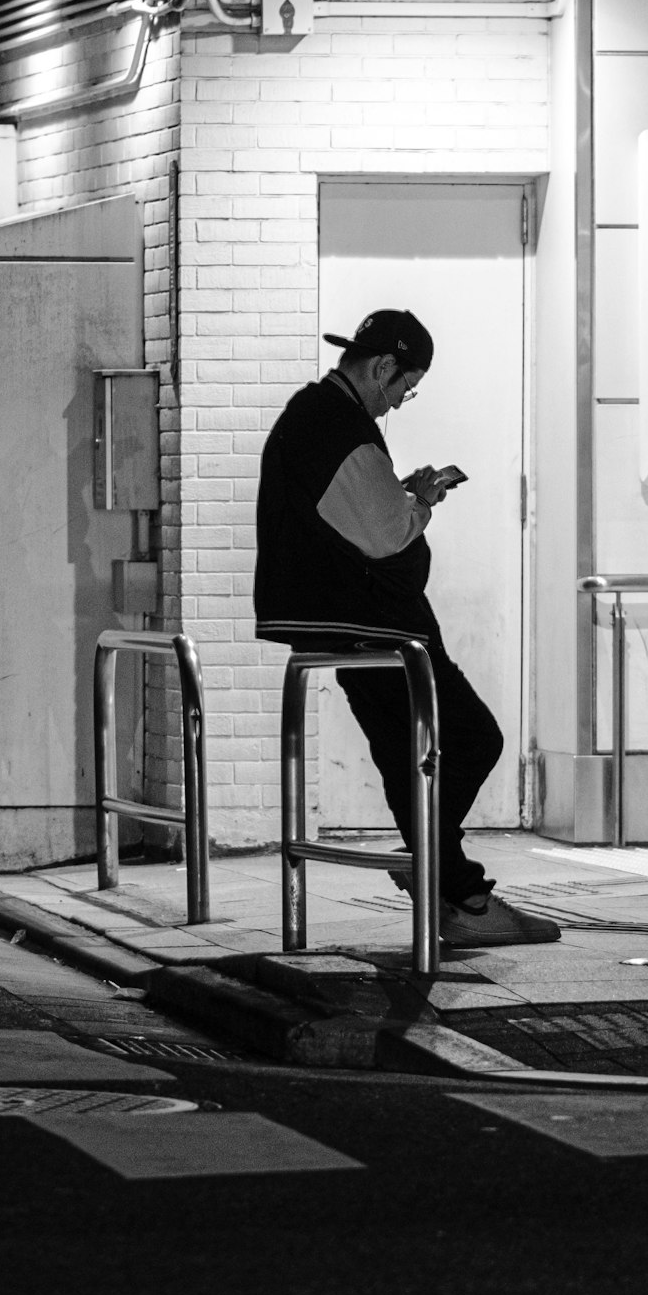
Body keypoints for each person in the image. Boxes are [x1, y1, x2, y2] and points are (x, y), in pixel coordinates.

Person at [253, 308, 559, 950]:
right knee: (474, 739)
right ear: (384, 366)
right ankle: (444, 879)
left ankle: (455, 897)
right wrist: (422, 501)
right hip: (376, 624)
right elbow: (386, 533)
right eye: (404, 387)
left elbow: (349, 513)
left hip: (335, 623)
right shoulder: (339, 425)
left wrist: (402, 494)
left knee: (406, 760)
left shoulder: (310, 418)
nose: (399, 401)